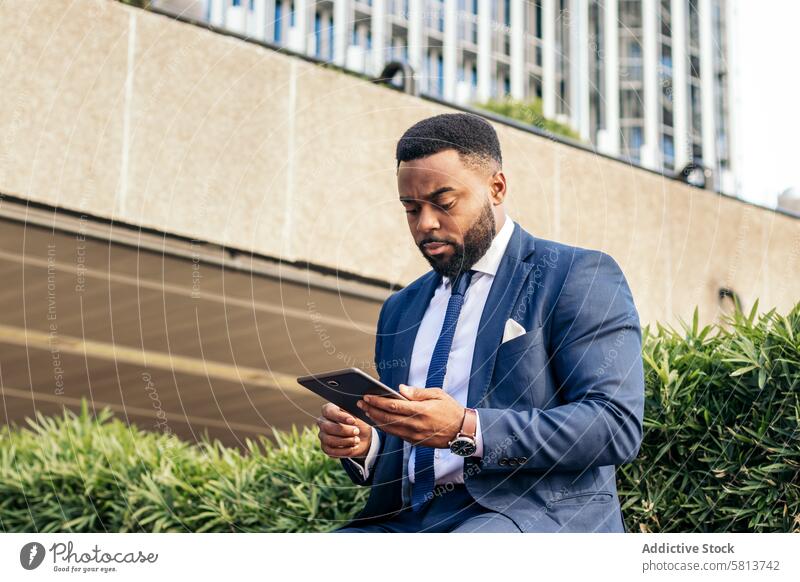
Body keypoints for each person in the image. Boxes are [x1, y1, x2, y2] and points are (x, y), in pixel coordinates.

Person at [316, 112, 644, 532]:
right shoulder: (400, 309)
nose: (426, 224)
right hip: (407, 522)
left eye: (444, 202)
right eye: (411, 209)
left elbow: (612, 424)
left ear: (497, 188)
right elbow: (413, 438)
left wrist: (465, 427)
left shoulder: (576, 275)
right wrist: (368, 445)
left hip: (529, 517)